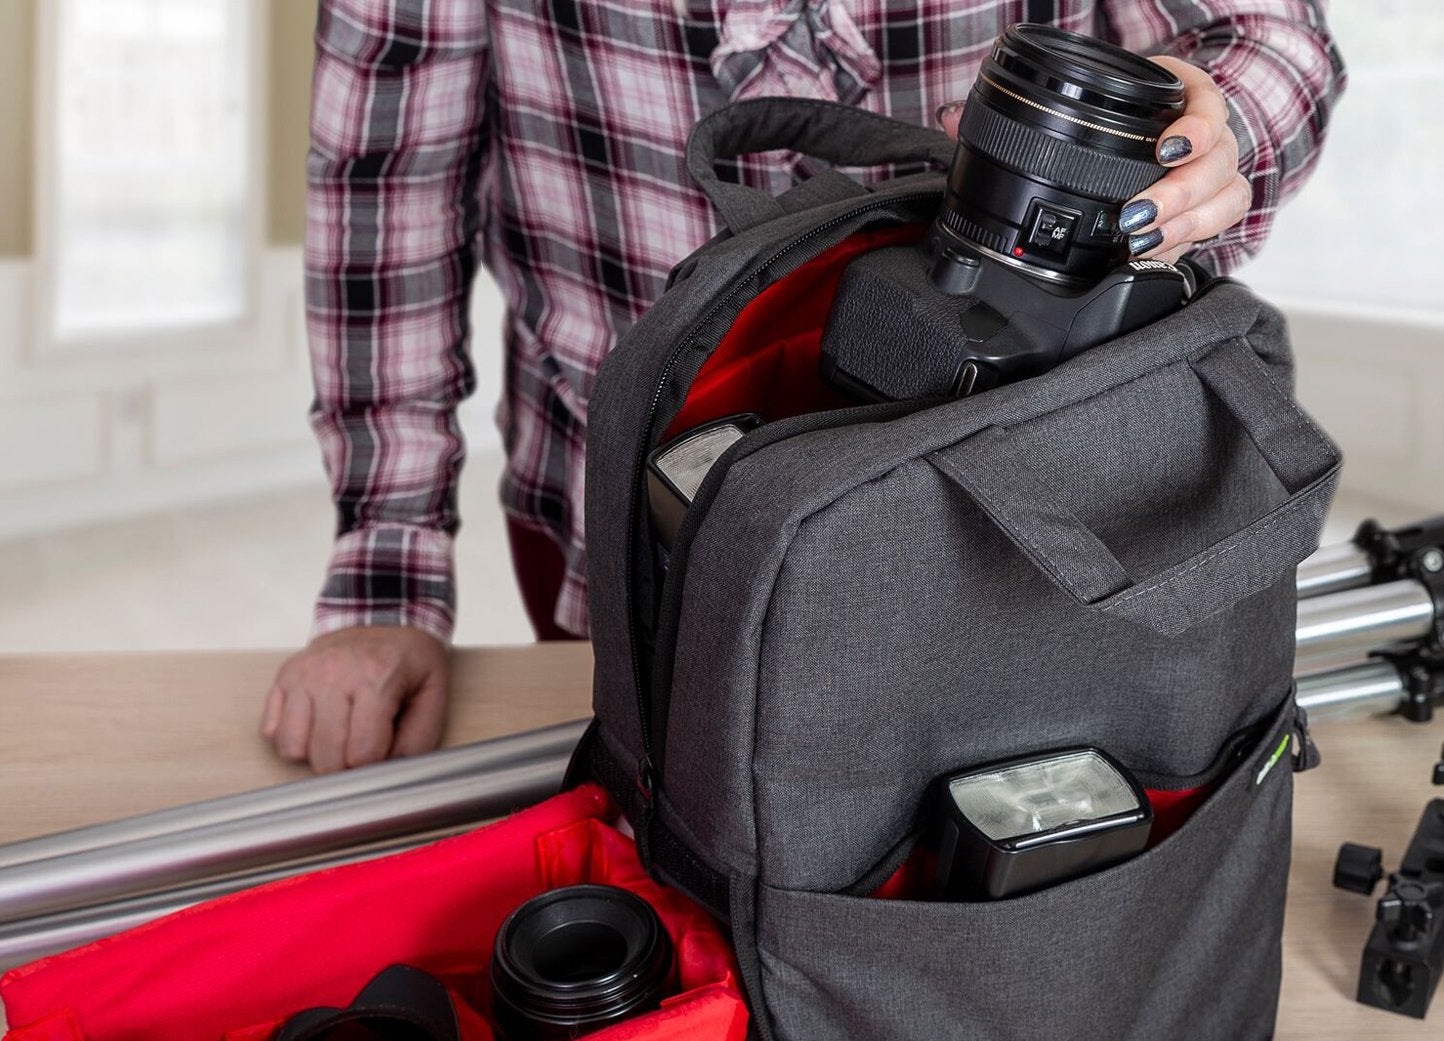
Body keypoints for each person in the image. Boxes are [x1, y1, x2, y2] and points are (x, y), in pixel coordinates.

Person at [262, 0, 1344, 774]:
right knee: (672, 814)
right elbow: (386, 185)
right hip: (635, 501)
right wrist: (387, 571)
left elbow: (1276, 35)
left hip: (1016, 501)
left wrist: (1213, 139)